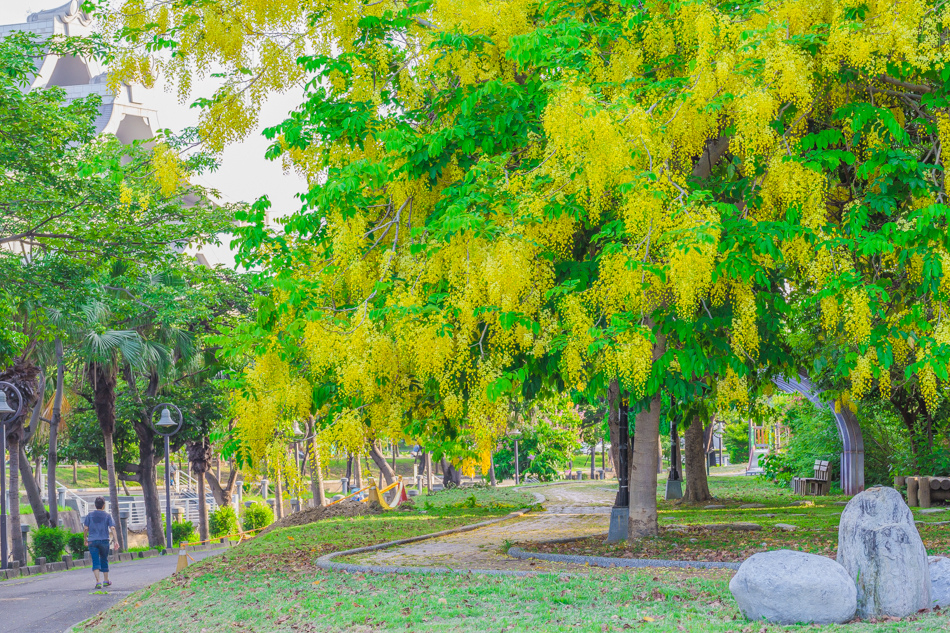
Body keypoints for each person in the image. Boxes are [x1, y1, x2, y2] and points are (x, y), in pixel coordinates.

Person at [82, 497, 118, 590]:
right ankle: (106, 580)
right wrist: (116, 540)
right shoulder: (107, 515)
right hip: (104, 541)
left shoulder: (89, 515)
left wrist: (85, 538)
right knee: (104, 559)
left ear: (95, 505)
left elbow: (86, 528)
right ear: (103, 505)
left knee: (95, 560)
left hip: (92, 541)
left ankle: (98, 582)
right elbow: (113, 528)